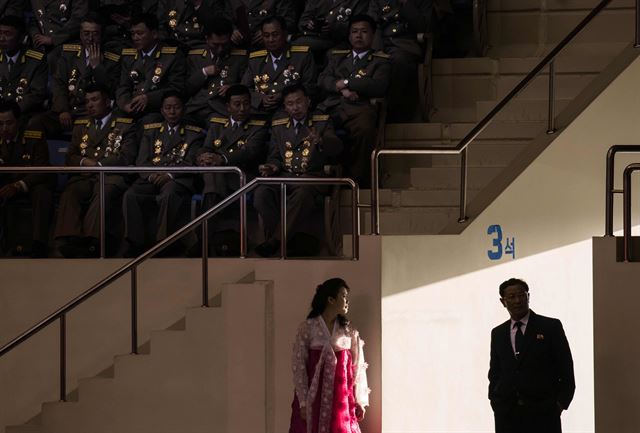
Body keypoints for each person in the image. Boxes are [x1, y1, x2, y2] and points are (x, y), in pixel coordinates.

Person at [253, 83, 342, 258]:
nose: (295, 108)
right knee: (261, 193)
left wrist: (321, 140)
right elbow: (275, 156)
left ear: (308, 102)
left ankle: (275, 241)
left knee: (303, 192)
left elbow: (337, 146)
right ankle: (288, 241)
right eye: (290, 104)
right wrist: (272, 167)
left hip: (313, 177)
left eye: (299, 102)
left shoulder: (322, 121)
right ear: (285, 107)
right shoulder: (279, 124)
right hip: (285, 176)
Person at [53, 84, 136, 258]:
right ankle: (68, 239)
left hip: (110, 176)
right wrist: (84, 161)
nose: (90, 105)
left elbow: (126, 156)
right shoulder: (81, 125)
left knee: (103, 191)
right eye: (87, 101)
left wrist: (98, 166)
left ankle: (93, 242)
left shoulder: (125, 125)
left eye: (95, 100)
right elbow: (71, 156)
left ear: (107, 102)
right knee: (71, 191)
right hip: (85, 176)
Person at [122, 90, 203, 257]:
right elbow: (142, 161)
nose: (172, 112)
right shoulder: (151, 131)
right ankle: (135, 242)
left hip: (178, 178)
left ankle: (163, 242)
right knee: (131, 194)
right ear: (162, 111)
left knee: (169, 193)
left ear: (183, 109)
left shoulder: (194, 133)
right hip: (151, 176)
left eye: (176, 108)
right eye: (168, 108)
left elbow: (191, 162)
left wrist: (170, 175)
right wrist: (152, 175)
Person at [488, 278, 576, 433]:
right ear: (503, 301)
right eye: (512, 297)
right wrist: (495, 402)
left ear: (528, 296)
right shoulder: (498, 333)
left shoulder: (550, 327)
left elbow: (566, 368)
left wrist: (559, 404)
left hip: (544, 413)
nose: (517, 301)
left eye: (521, 295)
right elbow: (495, 372)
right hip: (507, 415)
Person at [317, 14, 391, 186]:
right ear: (349, 35)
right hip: (332, 106)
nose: (359, 36)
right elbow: (322, 79)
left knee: (365, 128)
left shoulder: (380, 60)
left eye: (364, 32)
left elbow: (378, 85)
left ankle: (357, 179)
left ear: (373, 35)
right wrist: (341, 87)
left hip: (359, 108)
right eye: (354, 32)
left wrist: (348, 82)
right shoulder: (336, 56)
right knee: (317, 129)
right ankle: (325, 178)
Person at [289, 277, 369, 433]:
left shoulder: (348, 331)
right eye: (343, 296)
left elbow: (358, 366)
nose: (347, 301)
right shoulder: (308, 328)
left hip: (341, 400)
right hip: (314, 399)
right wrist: (304, 402)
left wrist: (360, 400)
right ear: (331, 299)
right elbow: (299, 367)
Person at [197, 84, 268, 256]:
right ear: (228, 106)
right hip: (219, 179)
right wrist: (202, 157)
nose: (242, 108)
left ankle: (202, 241)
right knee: (212, 173)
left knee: (213, 175)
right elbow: (205, 147)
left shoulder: (259, 126)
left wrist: (221, 159)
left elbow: (250, 152)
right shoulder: (217, 125)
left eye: (246, 103)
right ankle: (205, 239)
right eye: (237, 104)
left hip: (243, 178)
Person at [30, 13, 122, 137]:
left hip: (92, 113)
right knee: (35, 123)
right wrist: (63, 110)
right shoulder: (69, 54)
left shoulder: (112, 59)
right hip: (68, 109)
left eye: (95, 34)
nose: (90, 38)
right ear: (80, 34)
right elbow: (59, 83)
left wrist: (97, 67)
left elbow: (110, 91)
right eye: (86, 33)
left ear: (101, 35)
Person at [0, 101, 55, 257]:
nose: (4, 128)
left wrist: (17, 185)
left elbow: (42, 169)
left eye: (9, 123)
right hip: (5, 183)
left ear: (18, 121)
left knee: (42, 192)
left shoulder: (34, 135)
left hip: (32, 182)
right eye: (0, 124)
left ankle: (39, 245)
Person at [116, 13, 186, 123]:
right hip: (131, 106)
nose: (135, 38)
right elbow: (123, 86)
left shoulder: (172, 56)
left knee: (149, 121)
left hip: (156, 109)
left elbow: (176, 88)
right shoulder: (128, 57)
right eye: (133, 34)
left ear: (154, 34)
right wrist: (125, 104)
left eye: (140, 33)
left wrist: (148, 98)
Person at [241, 15, 316, 116]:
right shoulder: (256, 60)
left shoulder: (302, 56)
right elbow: (244, 89)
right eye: (266, 36)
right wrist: (260, 99)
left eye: (275, 35)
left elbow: (310, 87)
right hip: (262, 113)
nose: (271, 40)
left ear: (285, 34)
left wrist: (284, 96)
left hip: (290, 113)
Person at [185, 17, 248, 123]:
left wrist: (232, 89)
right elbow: (186, 89)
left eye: (224, 45)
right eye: (215, 45)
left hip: (221, 109)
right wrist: (203, 72)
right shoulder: (195, 56)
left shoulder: (240, 57)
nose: (220, 49)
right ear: (207, 39)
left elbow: (247, 86)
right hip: (195, 108)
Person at [0, 15, 48, 120]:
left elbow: (37, 94)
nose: (1, 38)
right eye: (0, 33)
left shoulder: (36, 60)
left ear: (21, 38)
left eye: (7, 34)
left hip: (23, 114)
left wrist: (13, 111)